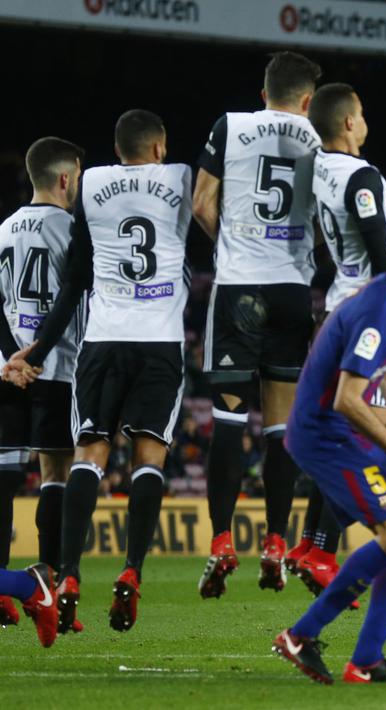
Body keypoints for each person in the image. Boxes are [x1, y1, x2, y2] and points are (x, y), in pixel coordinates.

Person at [4, 110, 193, 634]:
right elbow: (207, 215)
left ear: (117, 148)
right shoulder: (181, 177)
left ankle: (66, 574)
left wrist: (33, 351)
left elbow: (75, 282)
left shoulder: (92, 186)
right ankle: (131, 569)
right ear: (159, 147)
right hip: (158, 340)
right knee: (149, 458)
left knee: (87, 455)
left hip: (100, 341)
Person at [272, 212, 386, 685]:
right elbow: (347, 399)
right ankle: (300, 636)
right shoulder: (382, 309)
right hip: (325, 434)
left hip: (348, 432)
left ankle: (367, 661)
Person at [283, 82, 386, 598]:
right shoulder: (361, 177)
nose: (367, 121)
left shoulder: (317, 169)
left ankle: (312, 546)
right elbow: (379, 249)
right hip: (366, 312)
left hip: (336, 305)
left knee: (344, 431)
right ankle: (321, 552)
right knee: (361, 435)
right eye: (363, 114)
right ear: (349, 122)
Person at [193, 51, 323, 598]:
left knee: (228, 418)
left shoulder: (231, 126)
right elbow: (328, 221)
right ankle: (275, 542)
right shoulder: (318, 139)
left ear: (264, 91)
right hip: (292, 290)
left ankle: (222, 541)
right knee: (279, 427)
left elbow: (202, 204)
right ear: (308, 100)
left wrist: (232, 245)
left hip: (238, 287)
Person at [0, 138, 84, 632]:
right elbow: (72, 299)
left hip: (7, 371)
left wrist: (12, 357)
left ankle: (3, 594)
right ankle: (49, 586)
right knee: (55, 474)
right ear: (65, 178)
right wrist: (36, 357)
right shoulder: (71, 229)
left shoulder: (4, 228)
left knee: (4, 480)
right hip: (57, 369)